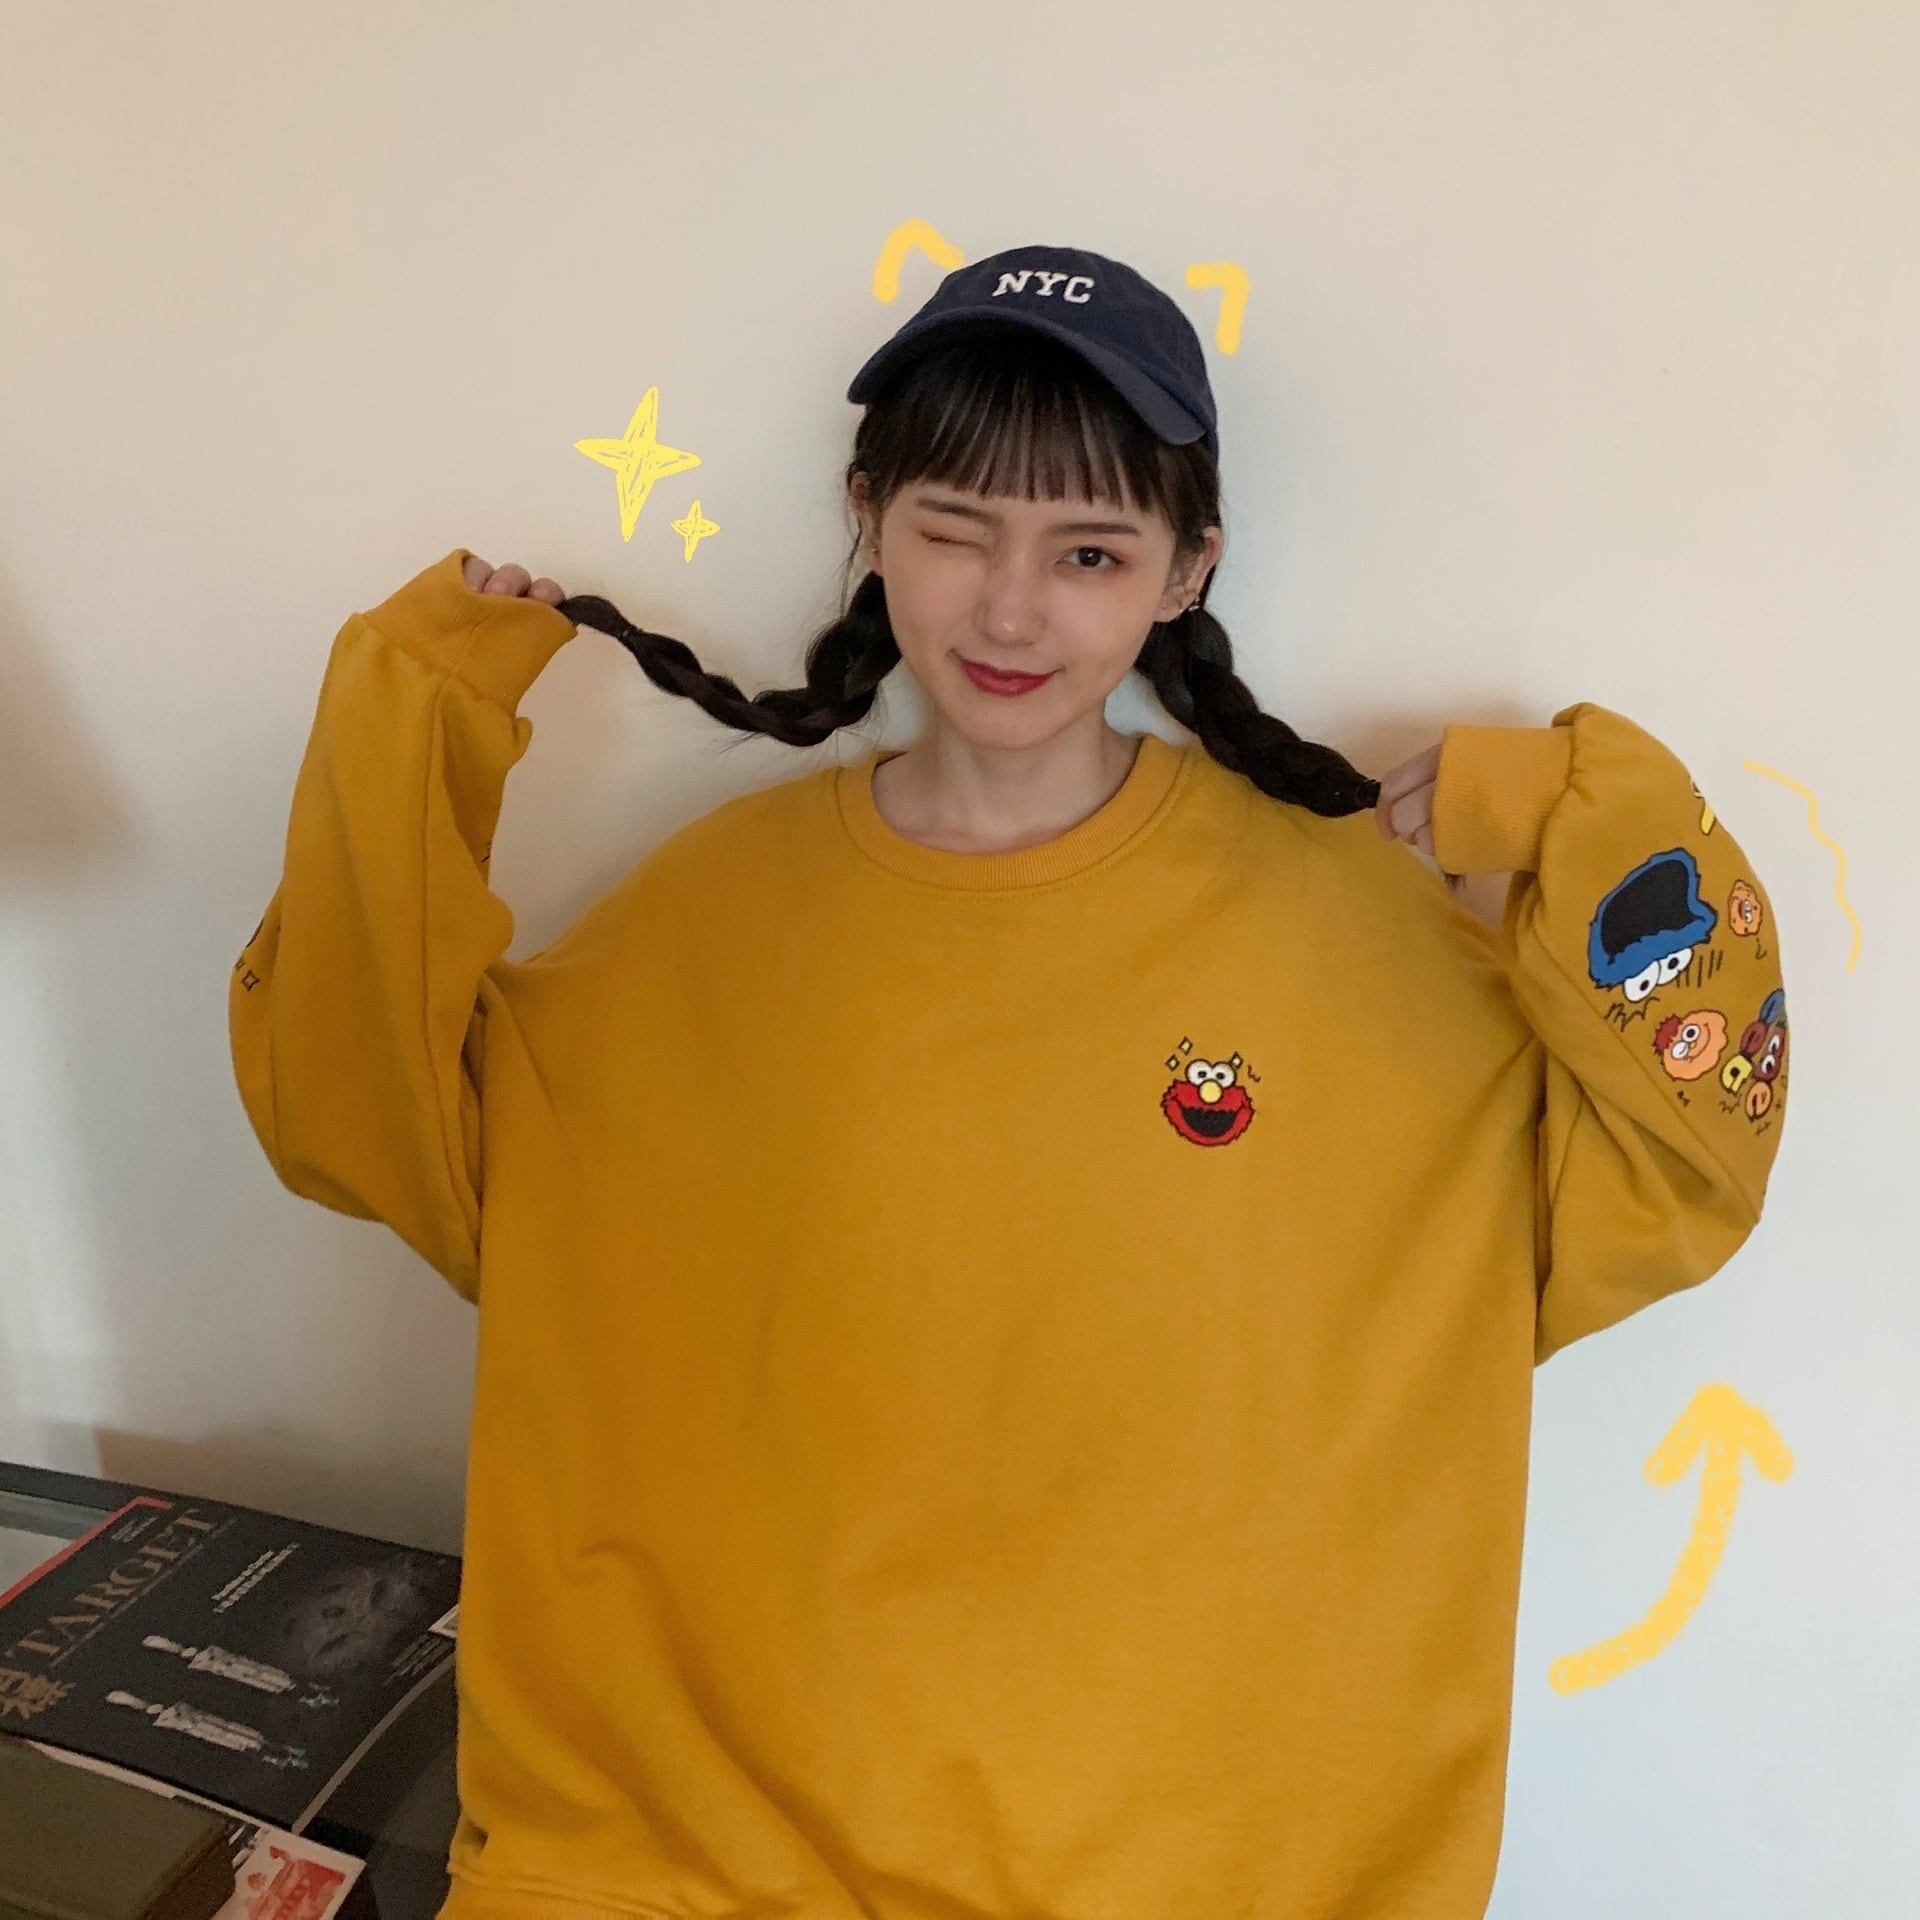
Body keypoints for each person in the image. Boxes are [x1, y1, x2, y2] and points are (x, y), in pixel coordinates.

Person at [228, 243, 1793, 1920]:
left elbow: (1690, 1160)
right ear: (869, 519)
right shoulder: (701, 922)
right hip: (683, 1869)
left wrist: (1584, 822)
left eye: (1089, 549)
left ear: (1188, 569)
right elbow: (360, 1115)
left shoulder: (1361, 937)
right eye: (955, 530)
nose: (1012, 610)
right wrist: (419, 712)